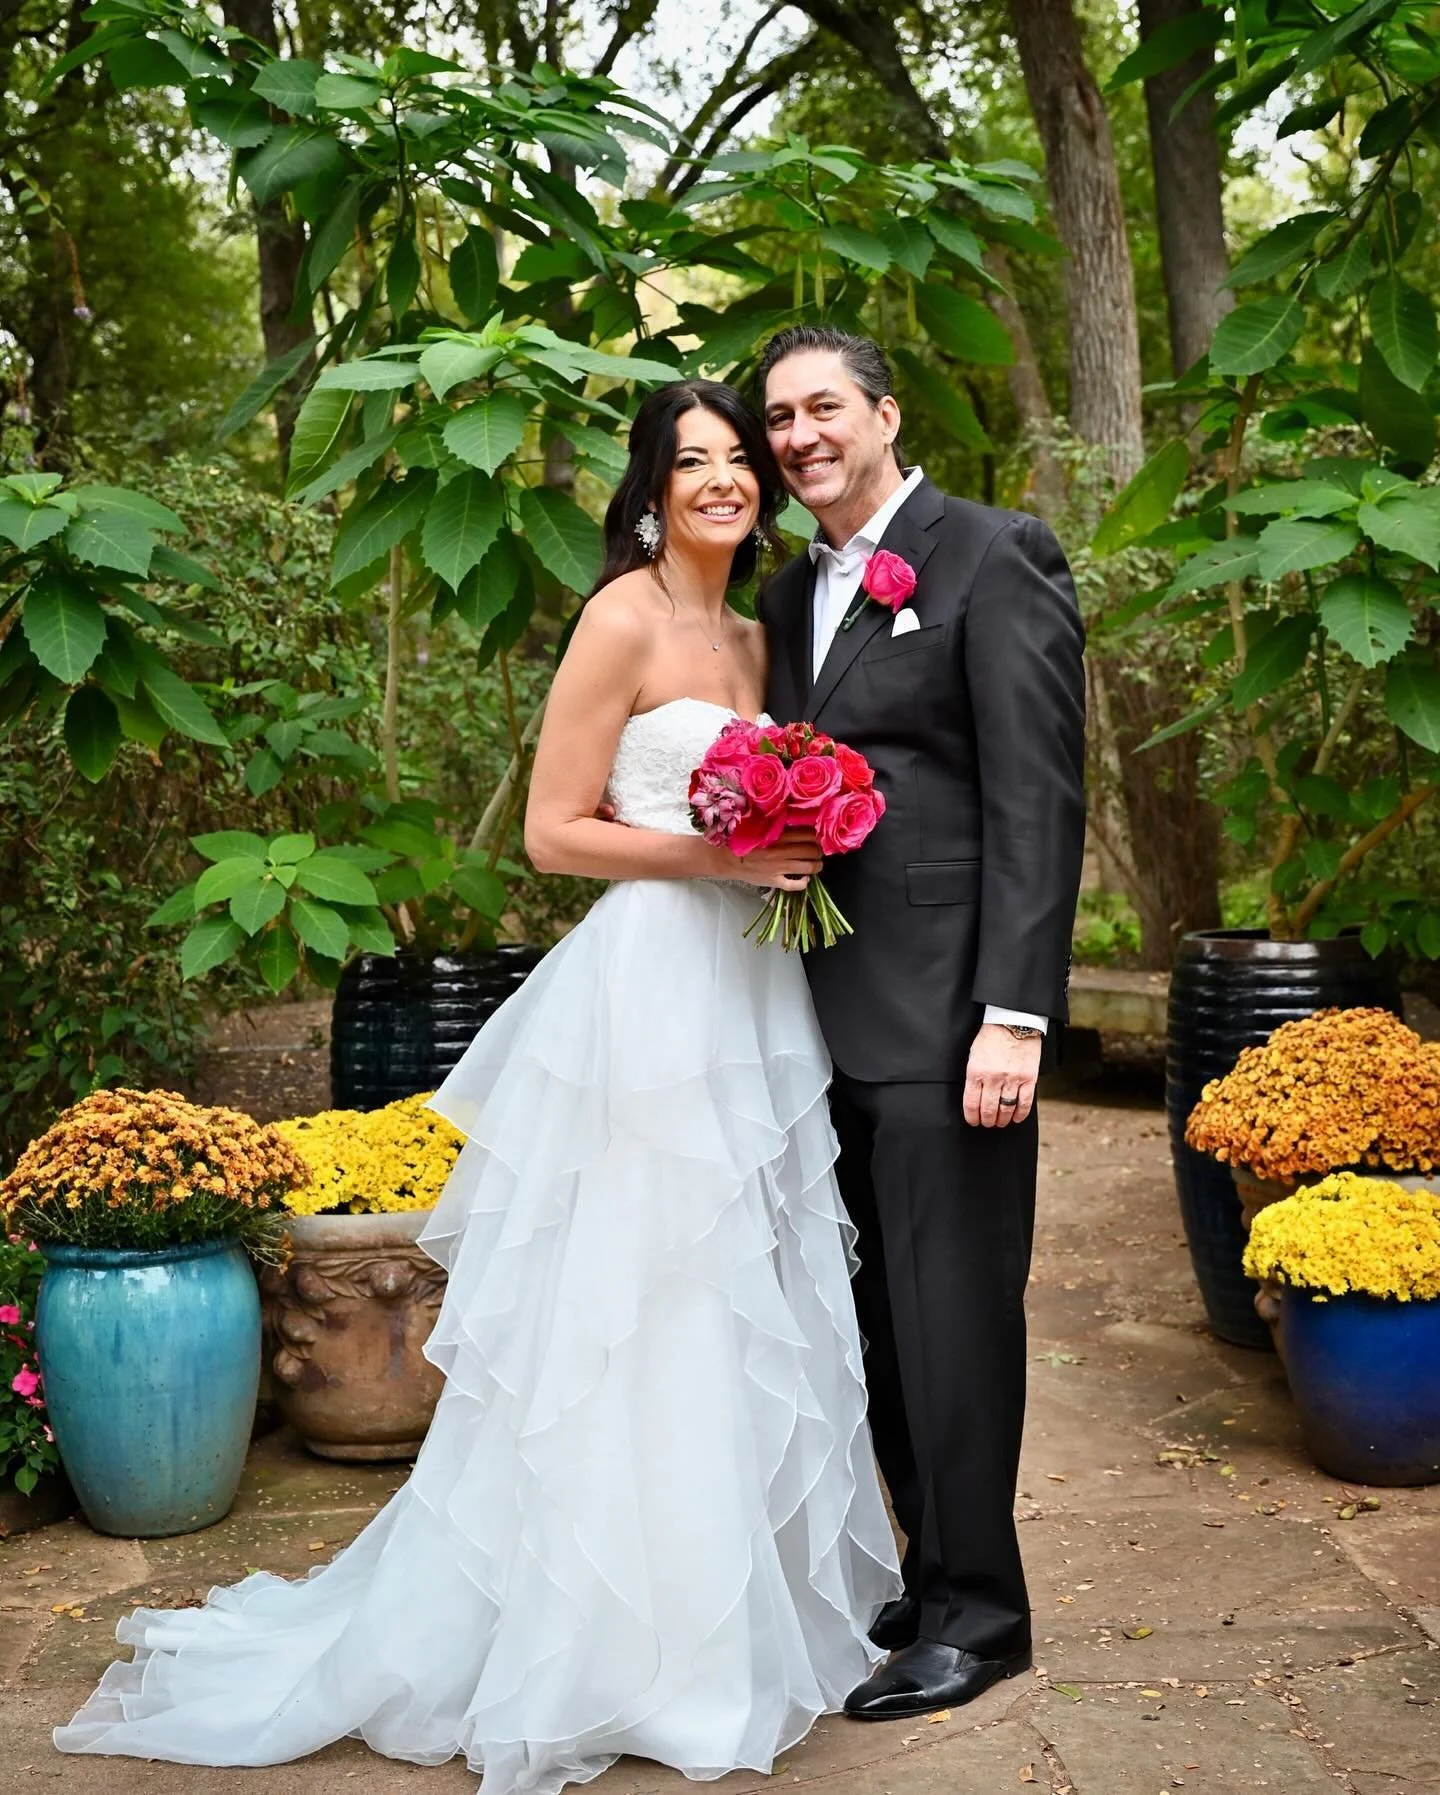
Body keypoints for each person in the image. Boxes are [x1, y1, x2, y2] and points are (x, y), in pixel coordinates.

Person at [53, 379, 901, 1794]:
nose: (724, 479)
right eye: (692, 460)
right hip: (647, 992)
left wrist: (782, 845)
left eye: (740, 459)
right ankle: (600, 1651)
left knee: (733, 1291)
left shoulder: (762, 635)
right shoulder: (620, 615)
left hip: (751, 989)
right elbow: (555, 833)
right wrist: (720, 859)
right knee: (635, 1300)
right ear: (647, 486)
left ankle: (716, 1643)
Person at [755, 325, 1086, 1722]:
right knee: (877, 1314)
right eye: (778, 416)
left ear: (885, 412)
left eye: (824, 405)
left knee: (953, 1312)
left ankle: (982, 1610)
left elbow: (1038, 794)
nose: (799, 435)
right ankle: (926, 1562)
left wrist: (1015, 1013)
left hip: (953, 1014)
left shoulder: (990, 552)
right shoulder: (783, 596)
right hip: (815, 1010)